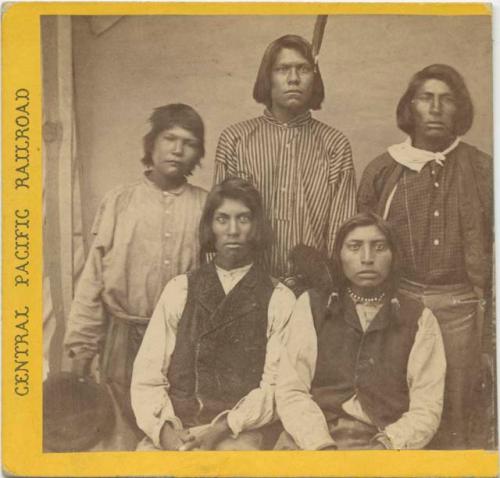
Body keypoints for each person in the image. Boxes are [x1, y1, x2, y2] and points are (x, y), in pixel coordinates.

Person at [357, 65, 493, 448]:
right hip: (401, 307)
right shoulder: (383, 171)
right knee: (400, 410)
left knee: (459, 416)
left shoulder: (484, 170)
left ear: (459, 109)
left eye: (446, 99)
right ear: (409, 107)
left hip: (462, 309)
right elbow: (361, 248)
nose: (435, 108)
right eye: (425, 98)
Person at [64, 104, 208, 448]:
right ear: (151, 144)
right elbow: (94, 280)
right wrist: (82, 348)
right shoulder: (119, 201)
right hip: (123, 340)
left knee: (174, 432)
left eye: (188, 143)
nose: (177, 149)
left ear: (197, 153)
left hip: (182, 340)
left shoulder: (207, 206)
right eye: (169, 138)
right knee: (121, 434)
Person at [131, 178, 296, 451]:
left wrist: (221, 428)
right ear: (210, 227)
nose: (233, 230)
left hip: (238, 430)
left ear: (256, 228)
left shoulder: (279, 298)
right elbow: (147, 377)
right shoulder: (180, 289)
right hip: (177, 426)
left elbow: (276, 388)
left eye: (243, 219)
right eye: (222, 219)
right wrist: (166, 432)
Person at [275, 213, 446, 450]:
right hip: (312, 436)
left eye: (379, 247)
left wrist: (388, 443)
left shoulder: (419, 318)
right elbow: (291, 390)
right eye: (354, 247)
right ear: (339, 255)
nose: (367, 258)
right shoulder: (312, 306)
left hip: (383, 439)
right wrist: (319, 444)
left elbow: (427, 407)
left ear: (394, 256)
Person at [214, 34, 356, 279]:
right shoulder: (235, 140)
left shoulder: (335, 145)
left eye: (303, 69)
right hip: (245, 287)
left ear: (315, 78)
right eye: (282, 69)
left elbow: (340, 234)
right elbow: (219, 226)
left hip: (311, 292)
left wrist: (327, 290)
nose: (293, 79)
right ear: (267, 78)